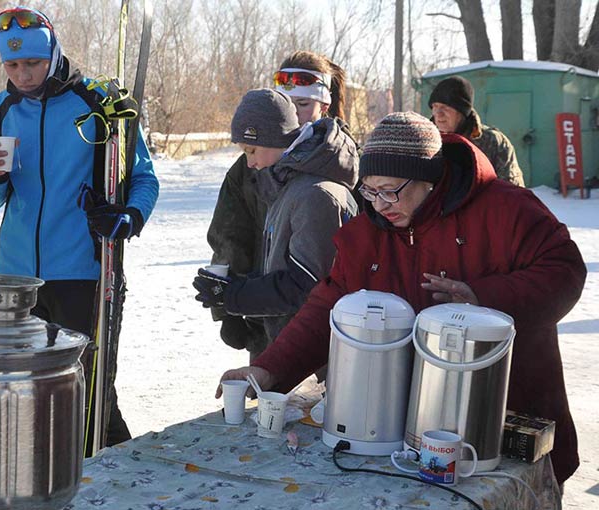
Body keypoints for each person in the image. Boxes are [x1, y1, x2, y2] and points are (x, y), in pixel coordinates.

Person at [217, 111, 585, 487]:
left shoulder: (505, 209)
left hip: (506, 417)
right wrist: (268, 370)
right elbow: (326, 307)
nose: (379, 204)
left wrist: (483, 297)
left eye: (391, 190)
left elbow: (565, 270)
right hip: (405, 429)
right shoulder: (366, 236)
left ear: (429, 178)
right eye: (370, 190)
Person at [0, 7, 159, 454]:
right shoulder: (2, 109)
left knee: (87, 391)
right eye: (12, 65)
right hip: (16, 277)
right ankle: (43, 476)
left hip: (82, 272)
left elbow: (145, 178)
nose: (23, 74)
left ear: (53, 52)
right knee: (26, 391)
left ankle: (108, 477)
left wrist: (128, 216)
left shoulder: (97, 103)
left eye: (32, 63)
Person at [206, 51, 358, 356]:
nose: (294, 113)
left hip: (314, 329)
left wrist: (238, 297)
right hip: (262, 313)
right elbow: (229, 235)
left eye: (303, 104)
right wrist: (228, 305)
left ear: (324, 106)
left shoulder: (336, 169)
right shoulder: (254, 164)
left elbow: (313, 280)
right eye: (287, 102)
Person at [429, 75, 525, 187]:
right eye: (435, 106)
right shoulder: (425, 142)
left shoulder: (493, 143)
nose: (439, 114)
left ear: (462, 112)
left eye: (446, 107)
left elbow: (512, 193)